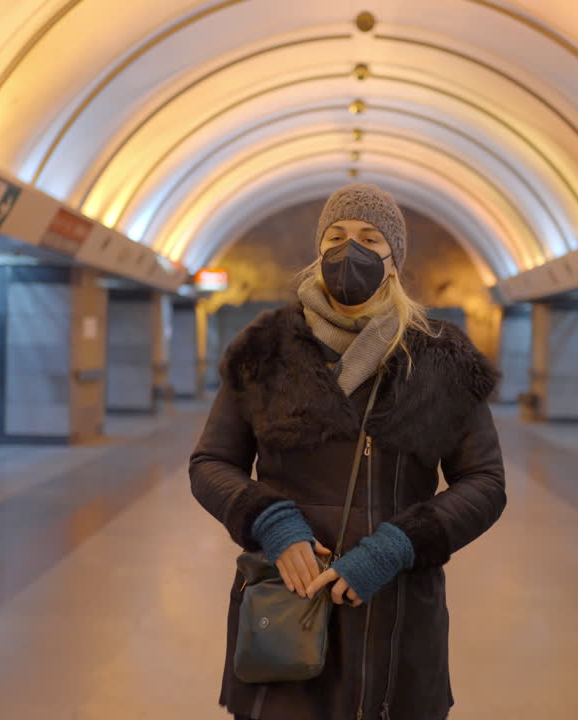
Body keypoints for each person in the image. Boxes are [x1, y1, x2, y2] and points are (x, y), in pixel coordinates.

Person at [190, 183, 506, 720]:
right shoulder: (266, 351)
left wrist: (398, 546)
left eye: (369, 238)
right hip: (287, 605)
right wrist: (272, 522)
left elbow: (484, 482)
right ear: (319, 251)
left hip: (396, 609)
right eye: (335, 237)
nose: (349, 250)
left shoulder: (438, 359)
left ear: (394, 259)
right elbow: (211, 464)